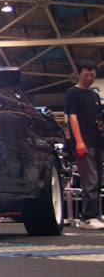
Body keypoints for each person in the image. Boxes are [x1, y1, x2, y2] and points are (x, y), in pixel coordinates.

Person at [65, 59, 104, 230]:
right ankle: (87, 218)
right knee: (90, 180)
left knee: (98, 180)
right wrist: (79, 141)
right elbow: (72, 117)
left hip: (97, 143)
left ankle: (92, 216)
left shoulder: (94, 96)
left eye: (92, 75)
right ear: (78, 74)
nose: (89, 78)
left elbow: (98, 120)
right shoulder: (73, 92)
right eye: (86, 75)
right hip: (83, 143)